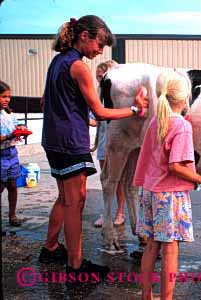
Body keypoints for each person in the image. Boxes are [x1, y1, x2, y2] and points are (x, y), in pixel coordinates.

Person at [37, 15, 148, 280]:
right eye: (99, 43)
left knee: (65, 198)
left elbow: (44, 101)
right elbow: (99, 112)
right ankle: (76, 265)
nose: (101, 50)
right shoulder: (78, 66)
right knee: (76, 203)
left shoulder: (57, 62)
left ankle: (51, 247)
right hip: (70, 142)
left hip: (52, 140)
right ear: (84, 36)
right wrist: (134, 109)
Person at [133, 71, 201, 300]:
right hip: (169, 196)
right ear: (185, 99)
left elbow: (146, 158)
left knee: (151, 246)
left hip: (149, 191)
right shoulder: (182, 127)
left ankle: (147, 295)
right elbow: (176, 166)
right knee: (170, 248)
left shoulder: (156, 121)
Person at [91, 60, 126, 227]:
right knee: (106, 179)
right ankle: (106, 213)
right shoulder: (99, 94)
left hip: (119, 142)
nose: (99, 80)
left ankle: (120, 213)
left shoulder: (120, 95)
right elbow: (93, 118)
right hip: (104, 142)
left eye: (101, 77)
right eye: (98, 77)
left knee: (119, 180)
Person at [0, 80, 28, 227]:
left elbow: (17, 127)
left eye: (8, 97)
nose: (7, 100)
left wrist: (23, 130)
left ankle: (12, 215)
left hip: (12, 154)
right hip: (1, 155)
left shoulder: (9, 114)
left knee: (12, 185)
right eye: (3, 96)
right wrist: (10, 136)